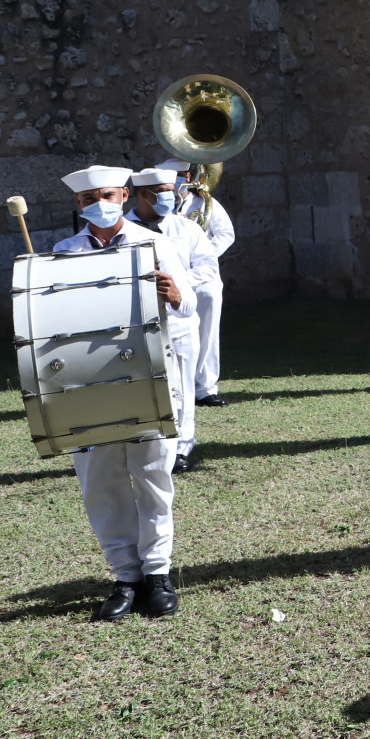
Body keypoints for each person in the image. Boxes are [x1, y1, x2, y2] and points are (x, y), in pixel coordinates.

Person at [51, 165, 195, 620]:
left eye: (108, 195)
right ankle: (125, 577)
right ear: (77, 204)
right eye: (88, 198)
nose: (99, 203)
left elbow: (189, 304)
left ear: (125, 195)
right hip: (87, 381)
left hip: (148, 373)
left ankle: (157, 574)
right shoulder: (63, 252)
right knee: (100, 481)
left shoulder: (155, 243)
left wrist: (174, 294)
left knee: (153, 475)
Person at [128, 167, 222, 473]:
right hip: (135, 322)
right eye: (163, 192)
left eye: (171, 190)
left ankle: (182, 448)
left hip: (179, 316)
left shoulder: (187, 228)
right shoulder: (124, 230)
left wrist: (178, 285)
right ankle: (145, 445)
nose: (172, 196)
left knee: (183, 388)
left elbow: (208, 266)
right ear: (143, 194)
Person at [159, 158, 235, 408]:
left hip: (203, 281)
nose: (177, 183)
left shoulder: (203, 203)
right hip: (170, 283)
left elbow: (226, 234)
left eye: (180, 176)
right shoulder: (158, 209)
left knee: (207, 333)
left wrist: (202, 256)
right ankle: (176, 387)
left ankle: (206, 389)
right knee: (171, 333)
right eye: (171, 179)